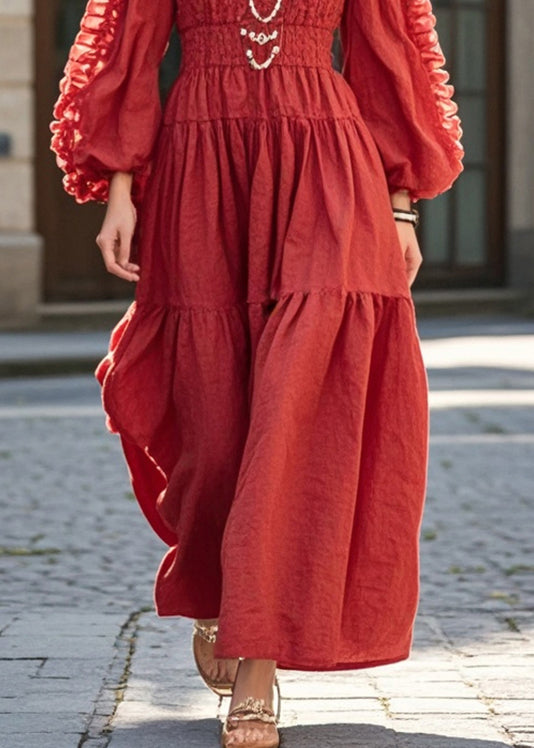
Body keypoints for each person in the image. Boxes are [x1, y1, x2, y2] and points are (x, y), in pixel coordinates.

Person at [50, 0, 464, 746]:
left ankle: (258, 665)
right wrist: (119, 189)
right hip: (201, 167)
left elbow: (386, 55)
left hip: (328, 165)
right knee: (212, 417)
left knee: (299, 397)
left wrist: (401, 205)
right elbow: (131, 48)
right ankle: (219, 585)